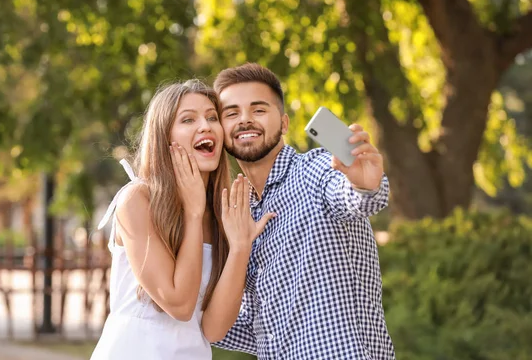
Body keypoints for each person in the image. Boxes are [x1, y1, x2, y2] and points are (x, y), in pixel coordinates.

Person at [211, 64, 396, 359]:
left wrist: (365, 185)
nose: (245, 120)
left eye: (258, 110)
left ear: (284, 124)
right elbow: (255, 327)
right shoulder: (239, 214)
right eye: (231, 113)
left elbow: (356, 198)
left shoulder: (315, 171)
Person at [90, 80, 275, 360]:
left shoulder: (221, 213)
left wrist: (240, 247)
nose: (205, 126)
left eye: (212, 117)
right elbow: (179, 303)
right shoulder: (137, 200)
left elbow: (213, 330)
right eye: (188, 119)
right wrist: (192, 212)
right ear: (165, 138)